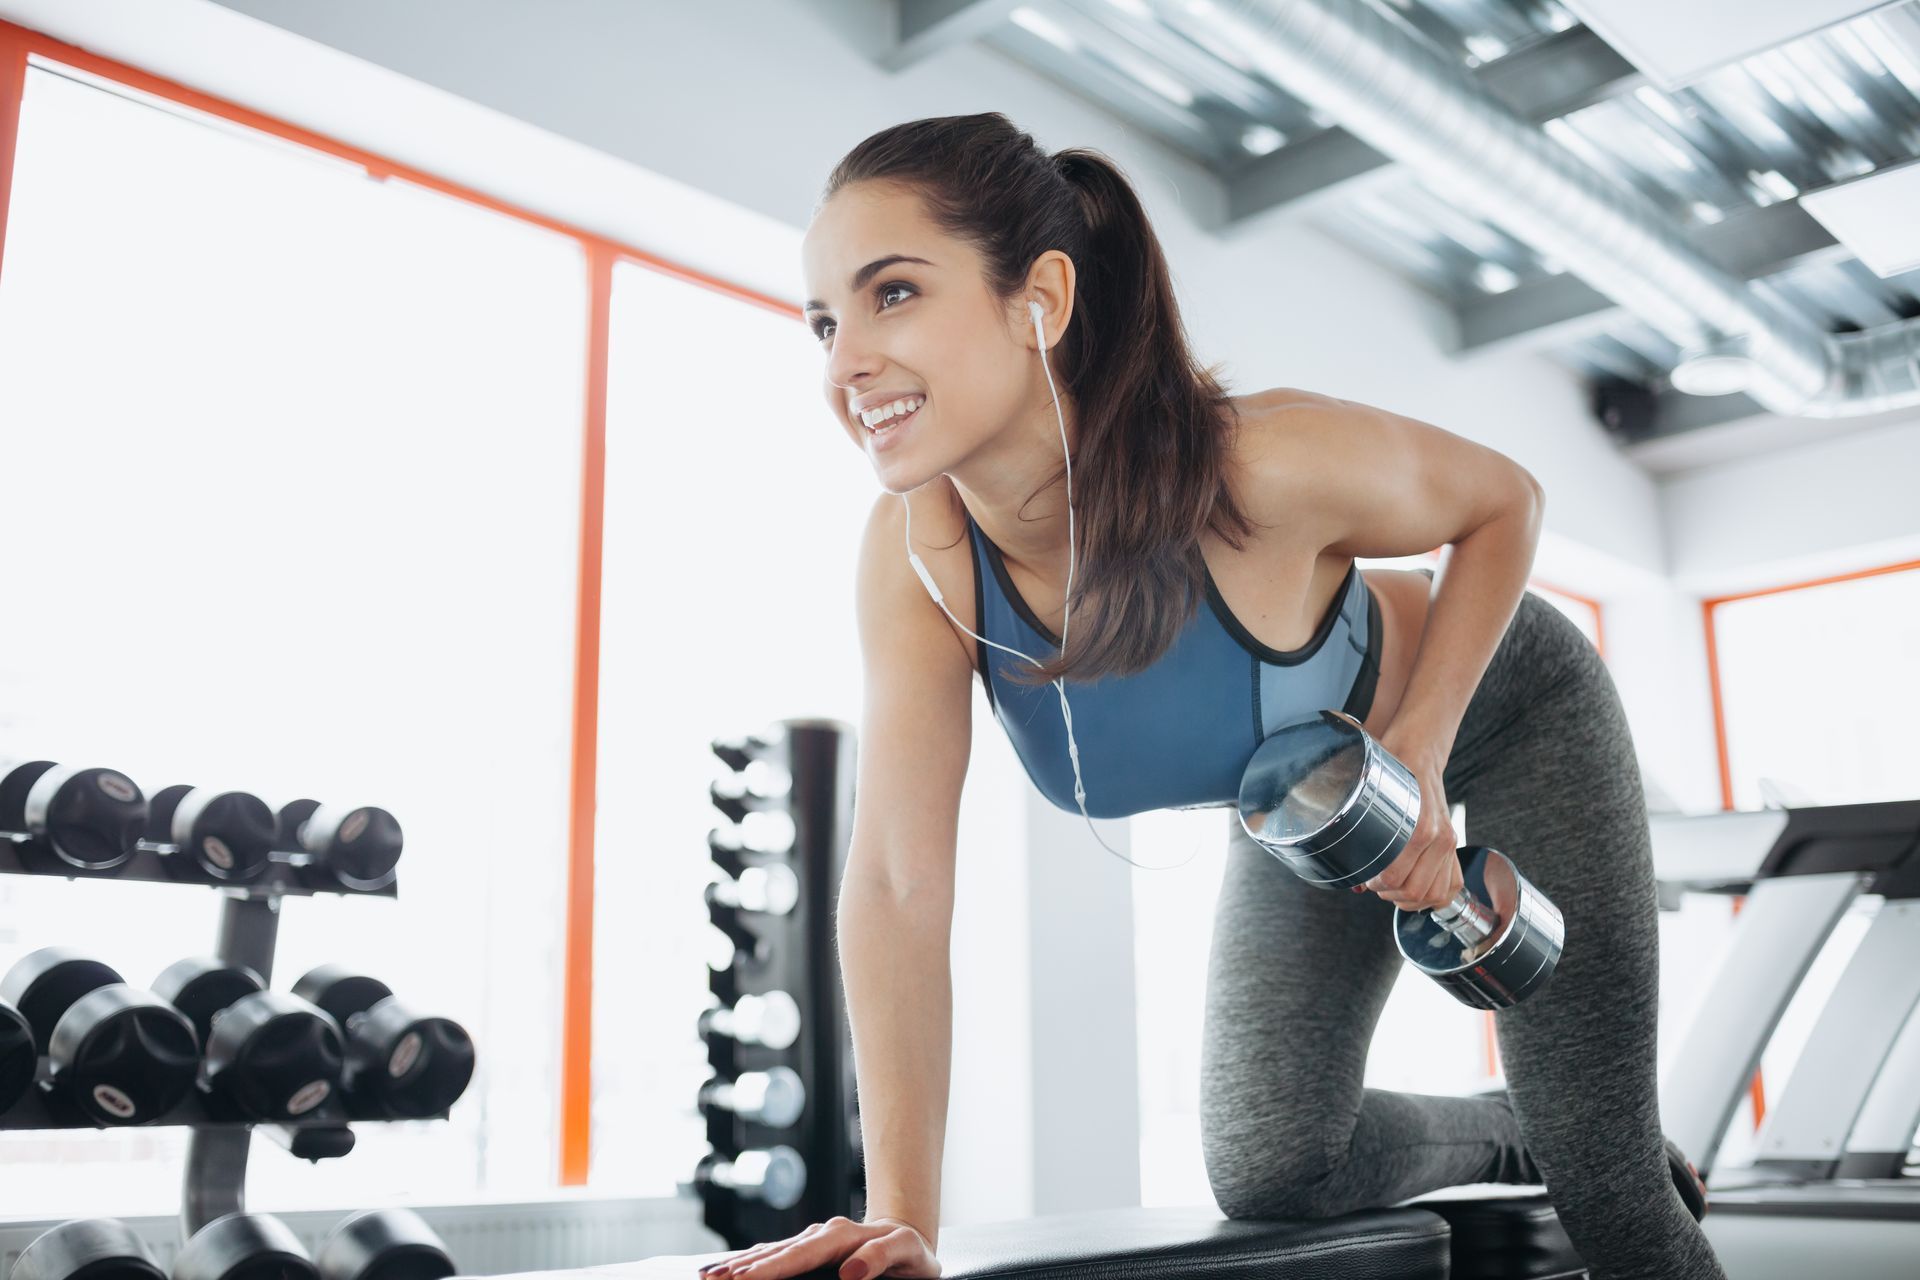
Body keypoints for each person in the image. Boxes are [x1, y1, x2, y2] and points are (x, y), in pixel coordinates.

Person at [698, 112, 1722, 1280]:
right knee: (1275, 1161)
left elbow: (1505, 501)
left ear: (1038, 299)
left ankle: (1586, 1131)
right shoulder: (917, 557)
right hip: (1301, 789)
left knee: (1612, 1184)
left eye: (891, 295)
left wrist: (1420, 749)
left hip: (1502, 704)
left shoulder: (1255, 464)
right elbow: (893, 880)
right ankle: (1514, 1123)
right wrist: (902, 1220)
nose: (842, 366)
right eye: (824, 321)